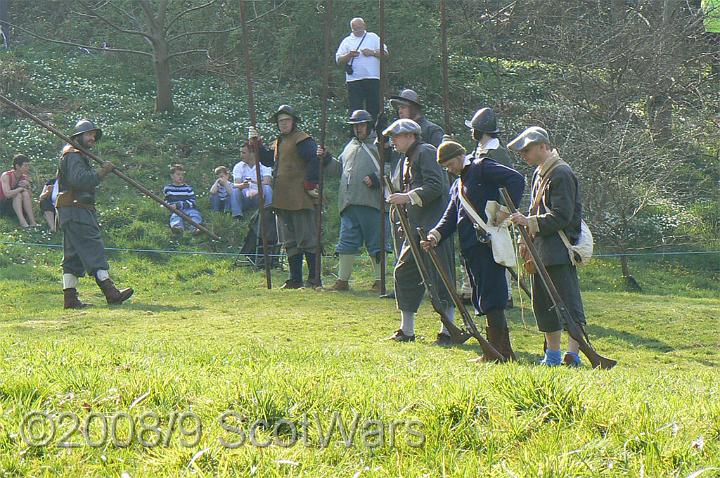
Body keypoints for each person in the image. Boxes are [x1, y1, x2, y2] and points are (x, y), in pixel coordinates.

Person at [422, 140, 525, 360]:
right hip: (472, 247)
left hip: (487, 244)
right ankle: (497, 351)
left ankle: (500, 352)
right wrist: (435, 235)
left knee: (492, 296)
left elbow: (516, 179)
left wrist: (506, 210)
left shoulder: (481, 167)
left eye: (450, 164)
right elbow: (452, 215)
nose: (449, 169)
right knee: (483, 296)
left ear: (460, 156)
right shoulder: (459, 183)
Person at [507, 126, 587, 367]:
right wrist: (525, 239)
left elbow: (563, 215)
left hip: (559, 251)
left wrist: (529, 223)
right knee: (543, 306)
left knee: (569, 305)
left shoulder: (561, 173)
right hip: (540, 250)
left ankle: (574, 354)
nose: (524, 156)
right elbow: (534, 209)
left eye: (527, 150)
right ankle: (552, 355)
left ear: (543, 146)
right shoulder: (540, 173)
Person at [382, 118, 455, 344]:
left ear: (410, 136)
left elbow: (437, 186)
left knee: (441, 277)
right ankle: (407, 330)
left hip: (434, 226)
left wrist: (407, 197)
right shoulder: (407, 158)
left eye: (397, 136)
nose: (393, 141)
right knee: (404, 273)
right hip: (416, 227)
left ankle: (448, 330)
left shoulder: (426, 151)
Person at [56, 119, 133, 309]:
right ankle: (110, 292)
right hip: (77, 210)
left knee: (72, 258)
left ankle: (70, 298)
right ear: (78, 136)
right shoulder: (73, 155)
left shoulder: (75, 155)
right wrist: (101, 173)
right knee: (93, 249)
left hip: (72, 211)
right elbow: (81, 180)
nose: (92, 138)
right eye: (89, 134)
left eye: (93, 136)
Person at [318, 110, 391, 292]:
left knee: (377, 244)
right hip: (349, 203)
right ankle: (342, 281)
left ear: (369, 125)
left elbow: (391, 167)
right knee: (346, 243)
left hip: (372, 202)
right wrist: (326, 159)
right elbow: (338, 170)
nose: (358, 129)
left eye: (361, 125)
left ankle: (379, 280)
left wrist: (376, 178)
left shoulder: (380, 145)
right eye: (355, 126)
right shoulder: (349, 146)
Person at [256, 104, 321, 289]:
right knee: (290, 241)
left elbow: (314, 159)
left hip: (300, 196)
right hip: (283, 197)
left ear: (293, 122)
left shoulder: (303, 140)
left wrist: (310, 182)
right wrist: (257, 146)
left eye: (286, 121)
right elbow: (269, 160)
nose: (283, 124)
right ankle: (295, 279)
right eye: (280, 121)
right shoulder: (279, 141)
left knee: (307, 239)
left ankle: (314, 279)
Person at [462, 107, 515, 307]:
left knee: (499, 250)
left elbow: (510, 183)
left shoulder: (497, 153)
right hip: (480, 211)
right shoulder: (479, 152)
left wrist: (504, 211)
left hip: (494, 211)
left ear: (481, 130)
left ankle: (507, 294)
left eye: (473, 128)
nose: (471, 132)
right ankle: (471, 291)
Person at [335, 17, 389, 120]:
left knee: (374, 107)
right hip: (354, 80)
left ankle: (374, 131)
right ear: (352, 29)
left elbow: (386, 54)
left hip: (372, 78)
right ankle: (355, 134)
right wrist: (349, 55)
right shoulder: (347, 41)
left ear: (364, 26)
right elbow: (338, 60)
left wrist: (372, 53)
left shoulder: (373, 37)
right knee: (355, 109)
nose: (359, 30)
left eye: (360, 28)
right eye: (356, 29)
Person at [231, 142, 273, 219]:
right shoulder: (238, 166)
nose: (241, 155)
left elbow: (267, 182)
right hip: (245, 196)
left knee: (267, 188)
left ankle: (269, 213)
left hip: (260, 196)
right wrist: (243, 185)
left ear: (252, 153)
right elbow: (236, 184)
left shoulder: (264, 165)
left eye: (243, 153)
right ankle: (237, 215)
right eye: (241, 152)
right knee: (235, 190)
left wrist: (253, 182)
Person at [163, 164, 203, 235]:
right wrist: (170, 206)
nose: (180, 176)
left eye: (182, 175)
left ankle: (195, 228)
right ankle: (178, 228)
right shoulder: (168, 188)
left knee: (195, 214)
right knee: (175, 216)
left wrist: (179, 205)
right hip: (176, 210)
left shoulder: (188, 188)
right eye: (178, 174)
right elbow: (166, 200)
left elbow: (193, 201)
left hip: (188, 208)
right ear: (172, 176)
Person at [0, 154, 37, 228]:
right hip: (3, 204)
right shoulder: (6, 176)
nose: (28, 168)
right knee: (18, 194)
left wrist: (28, 186)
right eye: (25, 166)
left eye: (28, 165)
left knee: (25, 193)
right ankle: (22, 222)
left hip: (17, 206)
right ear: (17, 166)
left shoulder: (24, 177)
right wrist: (20, 189)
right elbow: (7, 194)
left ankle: (33, 222)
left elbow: (29, 196)